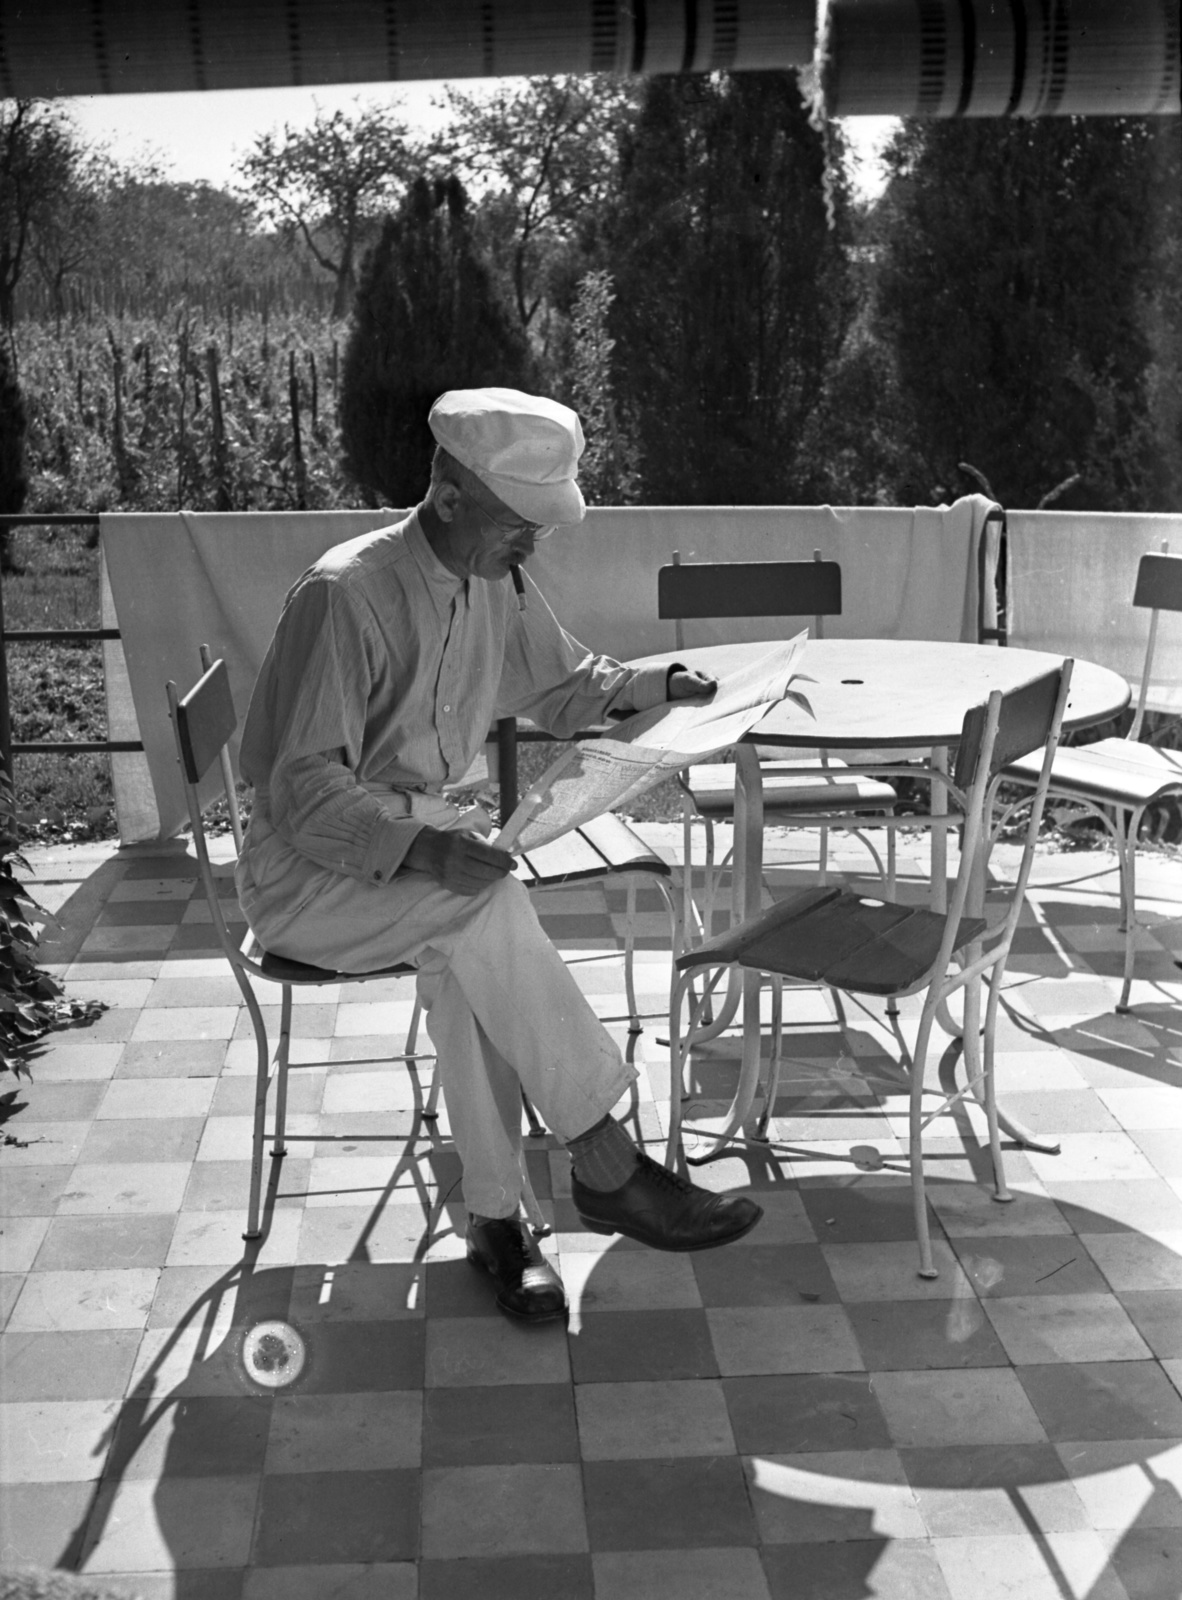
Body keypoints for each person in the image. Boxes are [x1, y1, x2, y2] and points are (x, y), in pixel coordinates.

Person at [236, 387, 762, 1321]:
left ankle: (497, 1223)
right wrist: (423, 851)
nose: (535, 545)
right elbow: (301, 787)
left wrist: (657, 682)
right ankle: (603, 1161)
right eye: (522, 524)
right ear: (448, 498)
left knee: (473, 947)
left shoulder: (493, 575)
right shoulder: (345, 594)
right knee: (478, 907)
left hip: (410, 845)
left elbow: (563, 683)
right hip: (302, 876)